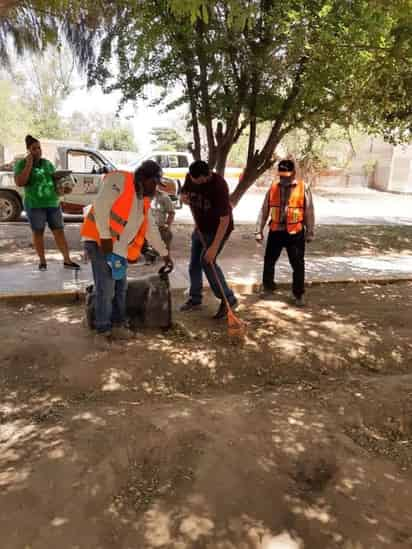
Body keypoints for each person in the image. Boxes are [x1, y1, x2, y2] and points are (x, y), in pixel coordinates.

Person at [81, 160, 173, 342]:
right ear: (144, 178)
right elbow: (100, 206)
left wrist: (164, 253)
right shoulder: (119, 180)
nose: (155, 189)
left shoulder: (143, 200)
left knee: (120, 287)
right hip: (99, 241)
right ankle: (102, 329)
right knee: (106, 288)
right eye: (154, 183)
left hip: (117, 248)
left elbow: (150, 229)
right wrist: (105, 237)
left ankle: (118, 323)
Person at [180, 160, 237, 319]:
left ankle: (228, 299)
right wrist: (183, 197)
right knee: (194, 264)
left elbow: (225, 220)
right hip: (200, 228)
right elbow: (184, 192)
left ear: (205, 177)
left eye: (196, 180)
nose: (192, 182)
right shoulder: (191, 177)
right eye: (191, 178)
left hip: (217, 229)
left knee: (207, 261)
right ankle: (195, 299)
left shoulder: (219, 186)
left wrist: (213, 248)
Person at [14, 135, 80, 271]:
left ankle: (67, 260)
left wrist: (63, 189)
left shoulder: (47, 163)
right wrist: (29, 164)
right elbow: (20, 182)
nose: (38, 150)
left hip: (53, 203)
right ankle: (42, 262)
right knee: (38, 232)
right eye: (34, 148)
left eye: (39, 148)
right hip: (35, 205)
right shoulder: (21, 164)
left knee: (59, 231)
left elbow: (55, 182)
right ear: (28, 150)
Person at [255, 159, 315, 307]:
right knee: (269, 261)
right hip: (276, 230)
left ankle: (298, 294)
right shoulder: (273, 187)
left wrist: (310, 232)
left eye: (286, 175)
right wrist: (259, 230)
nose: (284, 178)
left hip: (295, 232)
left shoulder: (303, 187)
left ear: (293, 173)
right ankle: (268, 288)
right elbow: (264, 210)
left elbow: (309, 211)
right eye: (281, 175)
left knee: (298, 264)